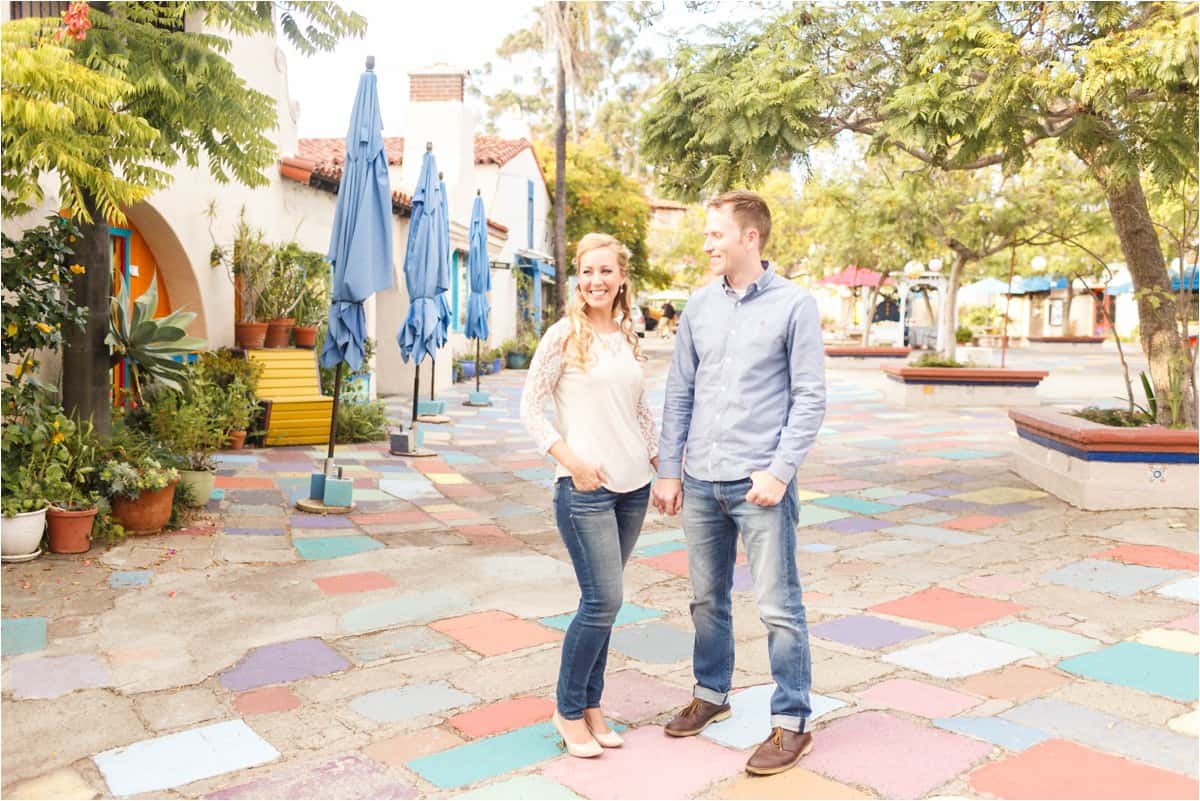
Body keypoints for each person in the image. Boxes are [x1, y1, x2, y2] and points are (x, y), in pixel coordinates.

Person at [651, 190, 826, 777]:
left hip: (760, 485)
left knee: (778, 607)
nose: (706, 245)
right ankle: (711, 692)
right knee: (706, 600)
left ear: (749, 238)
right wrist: (669, 470)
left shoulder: (796, 305)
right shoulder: (698, 307)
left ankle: (792, 722)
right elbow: (680, 392)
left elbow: (809, 397)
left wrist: (780, 471)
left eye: (715, 235)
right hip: (700, 479)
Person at [520, 232, 659, 759]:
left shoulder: (629, 334)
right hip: (584, 490)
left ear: (622, 277)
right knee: (604, 599)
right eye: (587, 271)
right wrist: (571, 461)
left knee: (602, 604)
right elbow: (531, 409)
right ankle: (567, 709)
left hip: (633, 489)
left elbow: (640, 409)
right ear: (577, 277)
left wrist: (659, 463)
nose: (596, 281)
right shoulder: (562, 336)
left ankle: (592, 706)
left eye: (606, 271)